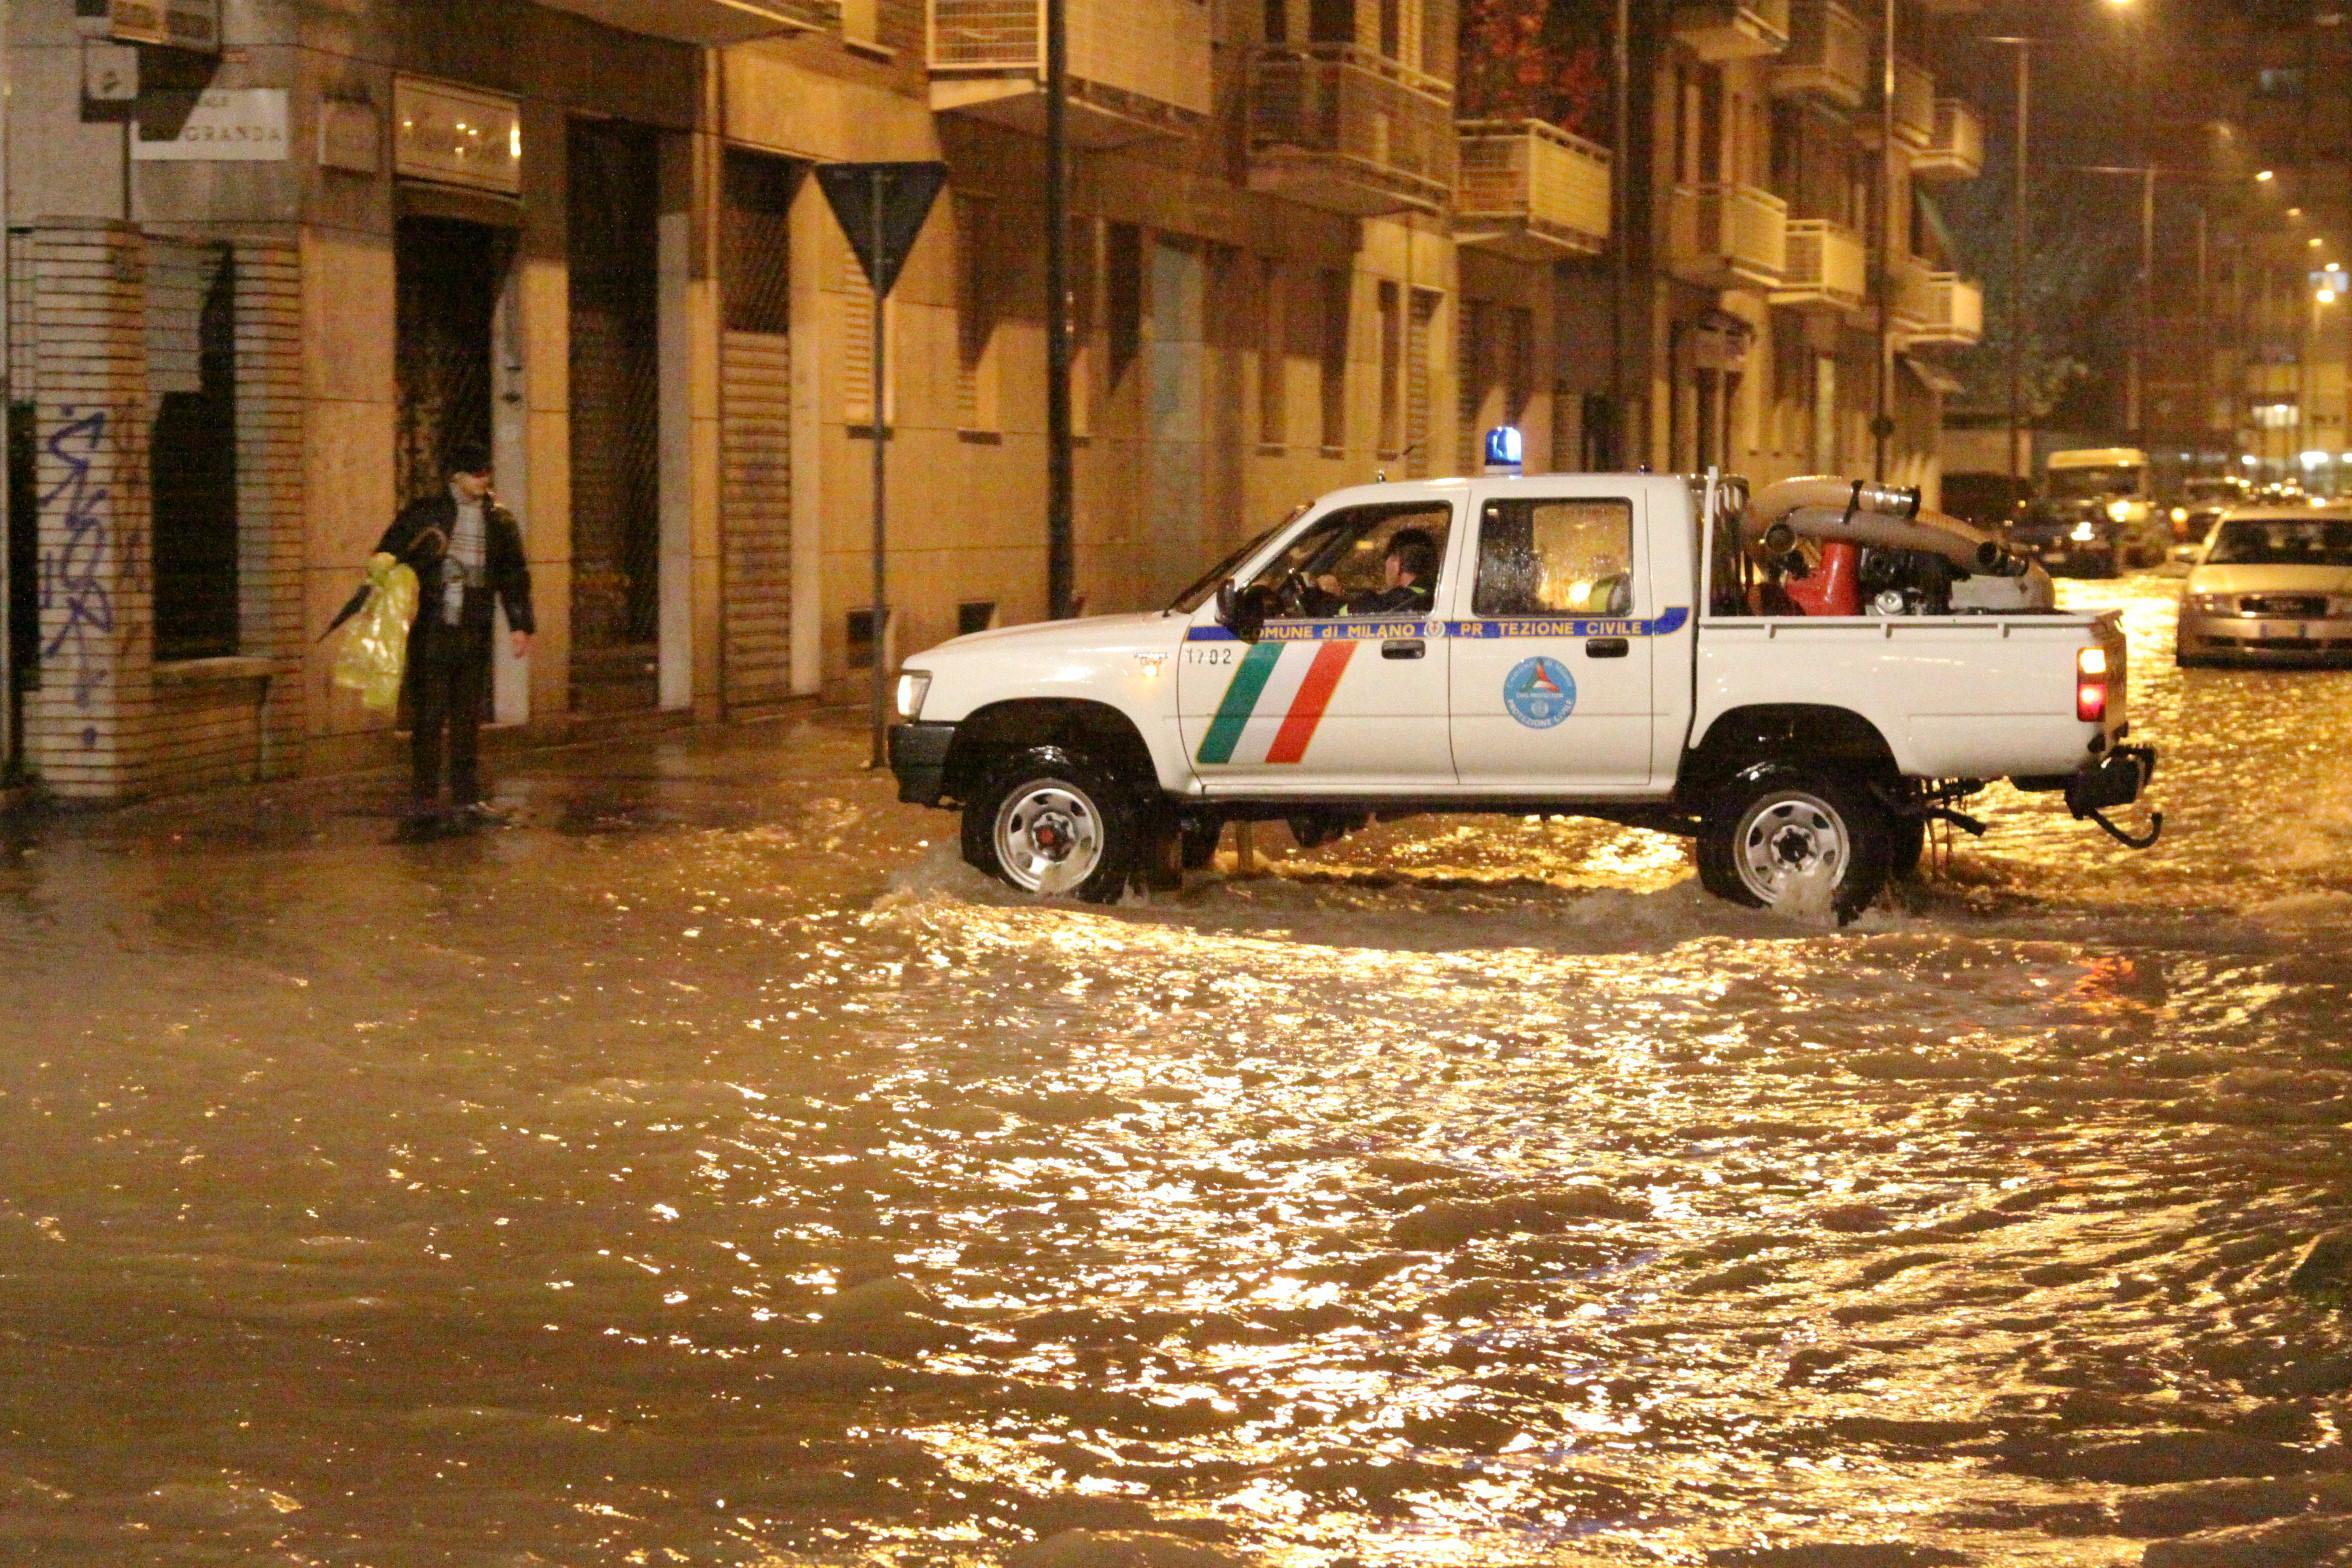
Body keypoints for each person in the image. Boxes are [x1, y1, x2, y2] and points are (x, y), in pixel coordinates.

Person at [373, 443, 535, 823]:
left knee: (467, 715)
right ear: (456, 477)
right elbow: (391, 551)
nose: (483, 480)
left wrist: (520, 624)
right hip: (432, 624)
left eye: (485, 473)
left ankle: (465, 794)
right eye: (475, 474)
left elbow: (513, 574)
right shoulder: (426, 514)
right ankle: (425, 793)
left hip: (473, 625)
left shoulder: (500, 521)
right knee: (428, 713)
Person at [1312, 528, 1438, 616]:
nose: (1385, 565)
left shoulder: (1398, 600)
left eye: (1386, 558)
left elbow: (1337, 616)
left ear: (1397, 562)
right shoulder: (1432, 594)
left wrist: (1327, 596)